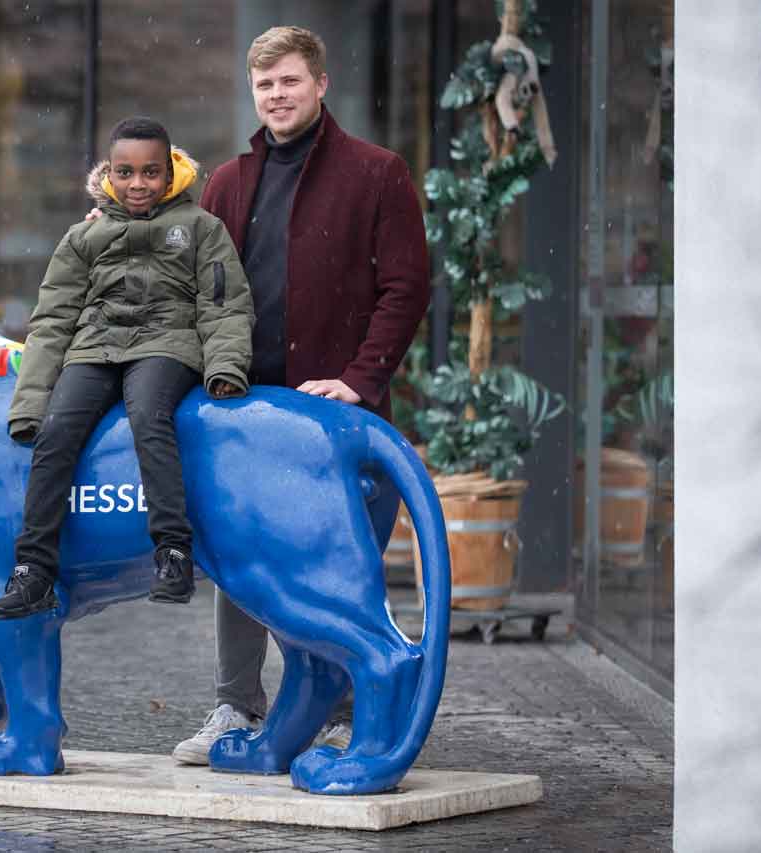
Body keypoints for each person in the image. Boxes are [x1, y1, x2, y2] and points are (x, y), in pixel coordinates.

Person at [170, 26, 431, 763]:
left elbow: (406, 286)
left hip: (333, 421)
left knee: (337, 567)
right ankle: (235, 707)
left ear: (320, 85)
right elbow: (192, 284)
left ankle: (346, 713)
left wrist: (359, 378)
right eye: (264, 86)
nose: (276, 96)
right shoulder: (226, 183)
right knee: (237, 560)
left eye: (288, 81)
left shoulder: (378, 173)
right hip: (245, 417)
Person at [0, 116, 255, 620]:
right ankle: (33, 570)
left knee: (150, 417)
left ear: (171, 172)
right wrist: (29, 405)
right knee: (56, 434)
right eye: (126, 173)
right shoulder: (82, 238)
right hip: (94, 348)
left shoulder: (201, 229)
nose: (139, 184)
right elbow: (52, 320)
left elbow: (224, 304)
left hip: (167, 343)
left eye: (151, 173)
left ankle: (173, 552)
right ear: (109, 174)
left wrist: (225, 368)